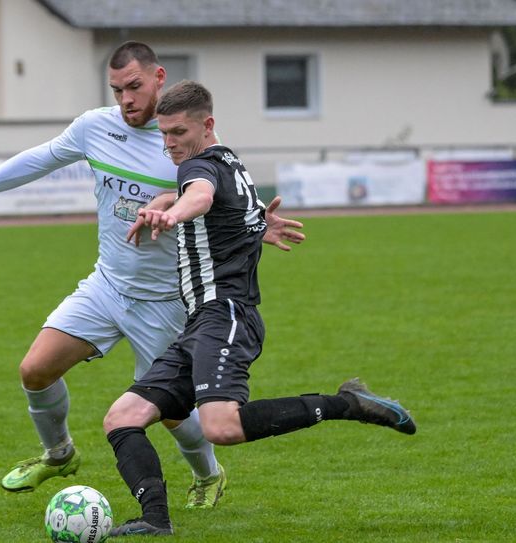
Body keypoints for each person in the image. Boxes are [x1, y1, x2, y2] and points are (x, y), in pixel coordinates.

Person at [0, 42, 305, 508]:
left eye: (135, 86)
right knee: (35, 369)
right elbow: (39, 158)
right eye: (117, 89)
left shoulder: (186, 140)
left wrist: (256, 220)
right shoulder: (94, 127)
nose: (125, 98)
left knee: (170, 414)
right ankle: (59, 454)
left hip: (167, 301)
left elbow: (215, 193)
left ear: (159, 78)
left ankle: (208, 475)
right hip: (107, 285)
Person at [103, 80, 417, 537]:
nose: (169, 143)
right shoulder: (229, 162)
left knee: (222, 427)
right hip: (200, 324)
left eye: (178, 132)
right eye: (163, 133)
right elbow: (209, 199)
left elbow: (201, 196)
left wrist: (171, 213)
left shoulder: (202, 164)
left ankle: (347, 403)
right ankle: (155, 520)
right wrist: (180, 205)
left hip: (226, 315)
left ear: (207, 125)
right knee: (122, 417)